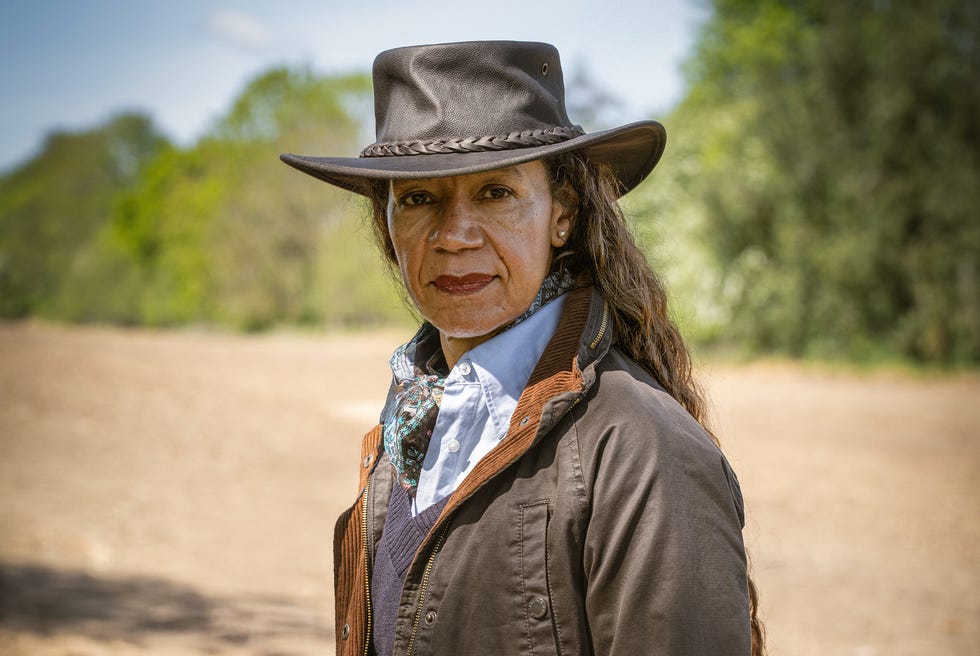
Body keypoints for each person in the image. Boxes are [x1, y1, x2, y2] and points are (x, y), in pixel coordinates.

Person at [281, 40, 764, 656]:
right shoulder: (413, 421)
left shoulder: (640, 447)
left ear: (562, 211)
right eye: (420, 199)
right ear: (388, 228)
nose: (454, 236)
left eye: (494, 193)